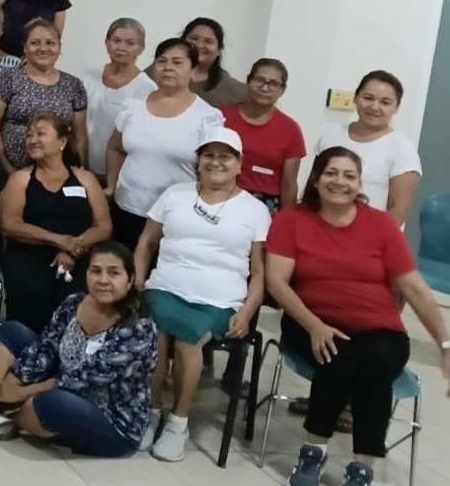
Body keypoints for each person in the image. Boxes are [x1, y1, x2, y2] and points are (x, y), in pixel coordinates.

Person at [265, 147, 450, 486]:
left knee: (377, 362)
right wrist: (315, 325)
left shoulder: (380, 224)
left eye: (350, 175)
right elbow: (276, 282)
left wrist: (445, 344)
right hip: (309, 319)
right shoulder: (292, 219)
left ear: (360, 183)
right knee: (338, 357)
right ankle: (313, 452)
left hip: (379, 327)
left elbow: (413, 287)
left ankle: (362, 468)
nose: (340, 181)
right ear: (317, 179)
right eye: (332, 173)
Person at [133, 128, 270, 461]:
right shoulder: (175, 194)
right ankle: (150, 414)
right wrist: (137, 285)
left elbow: (260, 271)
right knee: (156, 333)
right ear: (198, 161)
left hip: (219, 300)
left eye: (225, 156)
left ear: (239, 164)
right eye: (208, 155)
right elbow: (146, 243)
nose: (215, 162)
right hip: (165, 286)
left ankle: (178, 422)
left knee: (187, 338)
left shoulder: (255, 210)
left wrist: (248, 312)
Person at [0, 242, 157, 459]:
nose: (103, 280)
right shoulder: (74, 303)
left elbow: (84, 379)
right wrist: (11, 385)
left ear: (130, 280)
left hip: (110, 419)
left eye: (114, 273)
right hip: (60, 382)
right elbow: (45, 348)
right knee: (12, 331)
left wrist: (21, 391)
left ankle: (8, 415)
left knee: (53, 402)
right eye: (96, 271)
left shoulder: (139, 328)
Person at [103, 38, 224, 250]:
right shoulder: (133, 106)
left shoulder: (207, 116)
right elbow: (115, 147)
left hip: (175, 217)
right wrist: (112, 185)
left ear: (193, 71)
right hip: (127, 208)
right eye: (161, 61)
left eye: (177, 62)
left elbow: (214, 171)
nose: (168, 67)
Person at [0, 114, 113, 334]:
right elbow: (9, 225)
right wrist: (60, 241)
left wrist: (74, 249)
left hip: (78, 256)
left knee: (80, 295)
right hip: (29, 256)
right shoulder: (20, 179)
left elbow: (103, 226)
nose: (32, 140)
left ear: (62, 141)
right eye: (29, 135)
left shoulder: (85, 178)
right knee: (31, 292)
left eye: (41, 134)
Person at [0, 18, 88, 180]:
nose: (43, 48)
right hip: (6, 171)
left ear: (60, 48)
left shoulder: (74, 85)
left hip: (56, 174)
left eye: (50, 43)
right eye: (35, 43)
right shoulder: (8, 78)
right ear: (25, 48)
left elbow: (79, 135)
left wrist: (79, 170)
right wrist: (8, 168)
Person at [315, 70, 420, 225]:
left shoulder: (402, 149)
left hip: (367, 238)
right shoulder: (332, 134)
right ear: (356, 98)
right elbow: (315, 183)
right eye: (368, 98)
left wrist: (372, 242)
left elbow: (398, 209)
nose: (374, 107)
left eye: (385, 102)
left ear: (396, 107)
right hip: (319, 227)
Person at [221, 59, 305, 211]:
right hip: (219, 195)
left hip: (265, 205)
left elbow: (289, 186)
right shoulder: (221, 116)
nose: (264, 88)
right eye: (259, 80)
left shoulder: (291, 129)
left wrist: (287, 224)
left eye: (273, 84)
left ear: (282, 90)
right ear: (248, 81)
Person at [81, 18, 156, 179]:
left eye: (130, 43)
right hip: (83, 166)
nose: (122, 47)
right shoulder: (88, 76)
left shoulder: (146, 88)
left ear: (141, 48)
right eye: (116, 41)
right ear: (107, 43)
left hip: (120, 174)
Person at [181, 18, 245, 107]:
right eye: (194, 38)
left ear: (219, 50)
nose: (199, 45)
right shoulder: (158, 75)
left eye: (208, 41)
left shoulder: (233, 89)